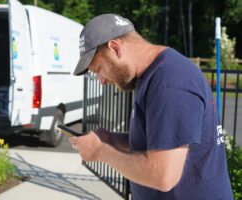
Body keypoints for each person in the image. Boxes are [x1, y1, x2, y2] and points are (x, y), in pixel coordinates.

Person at [69, 14, 233, 199]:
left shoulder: (169, 83)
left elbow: (162, 175)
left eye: (98, 69)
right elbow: (159, 140)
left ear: (115, 48)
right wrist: (110, 139)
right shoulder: (154, 74)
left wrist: (101, 151)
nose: (102, 81)